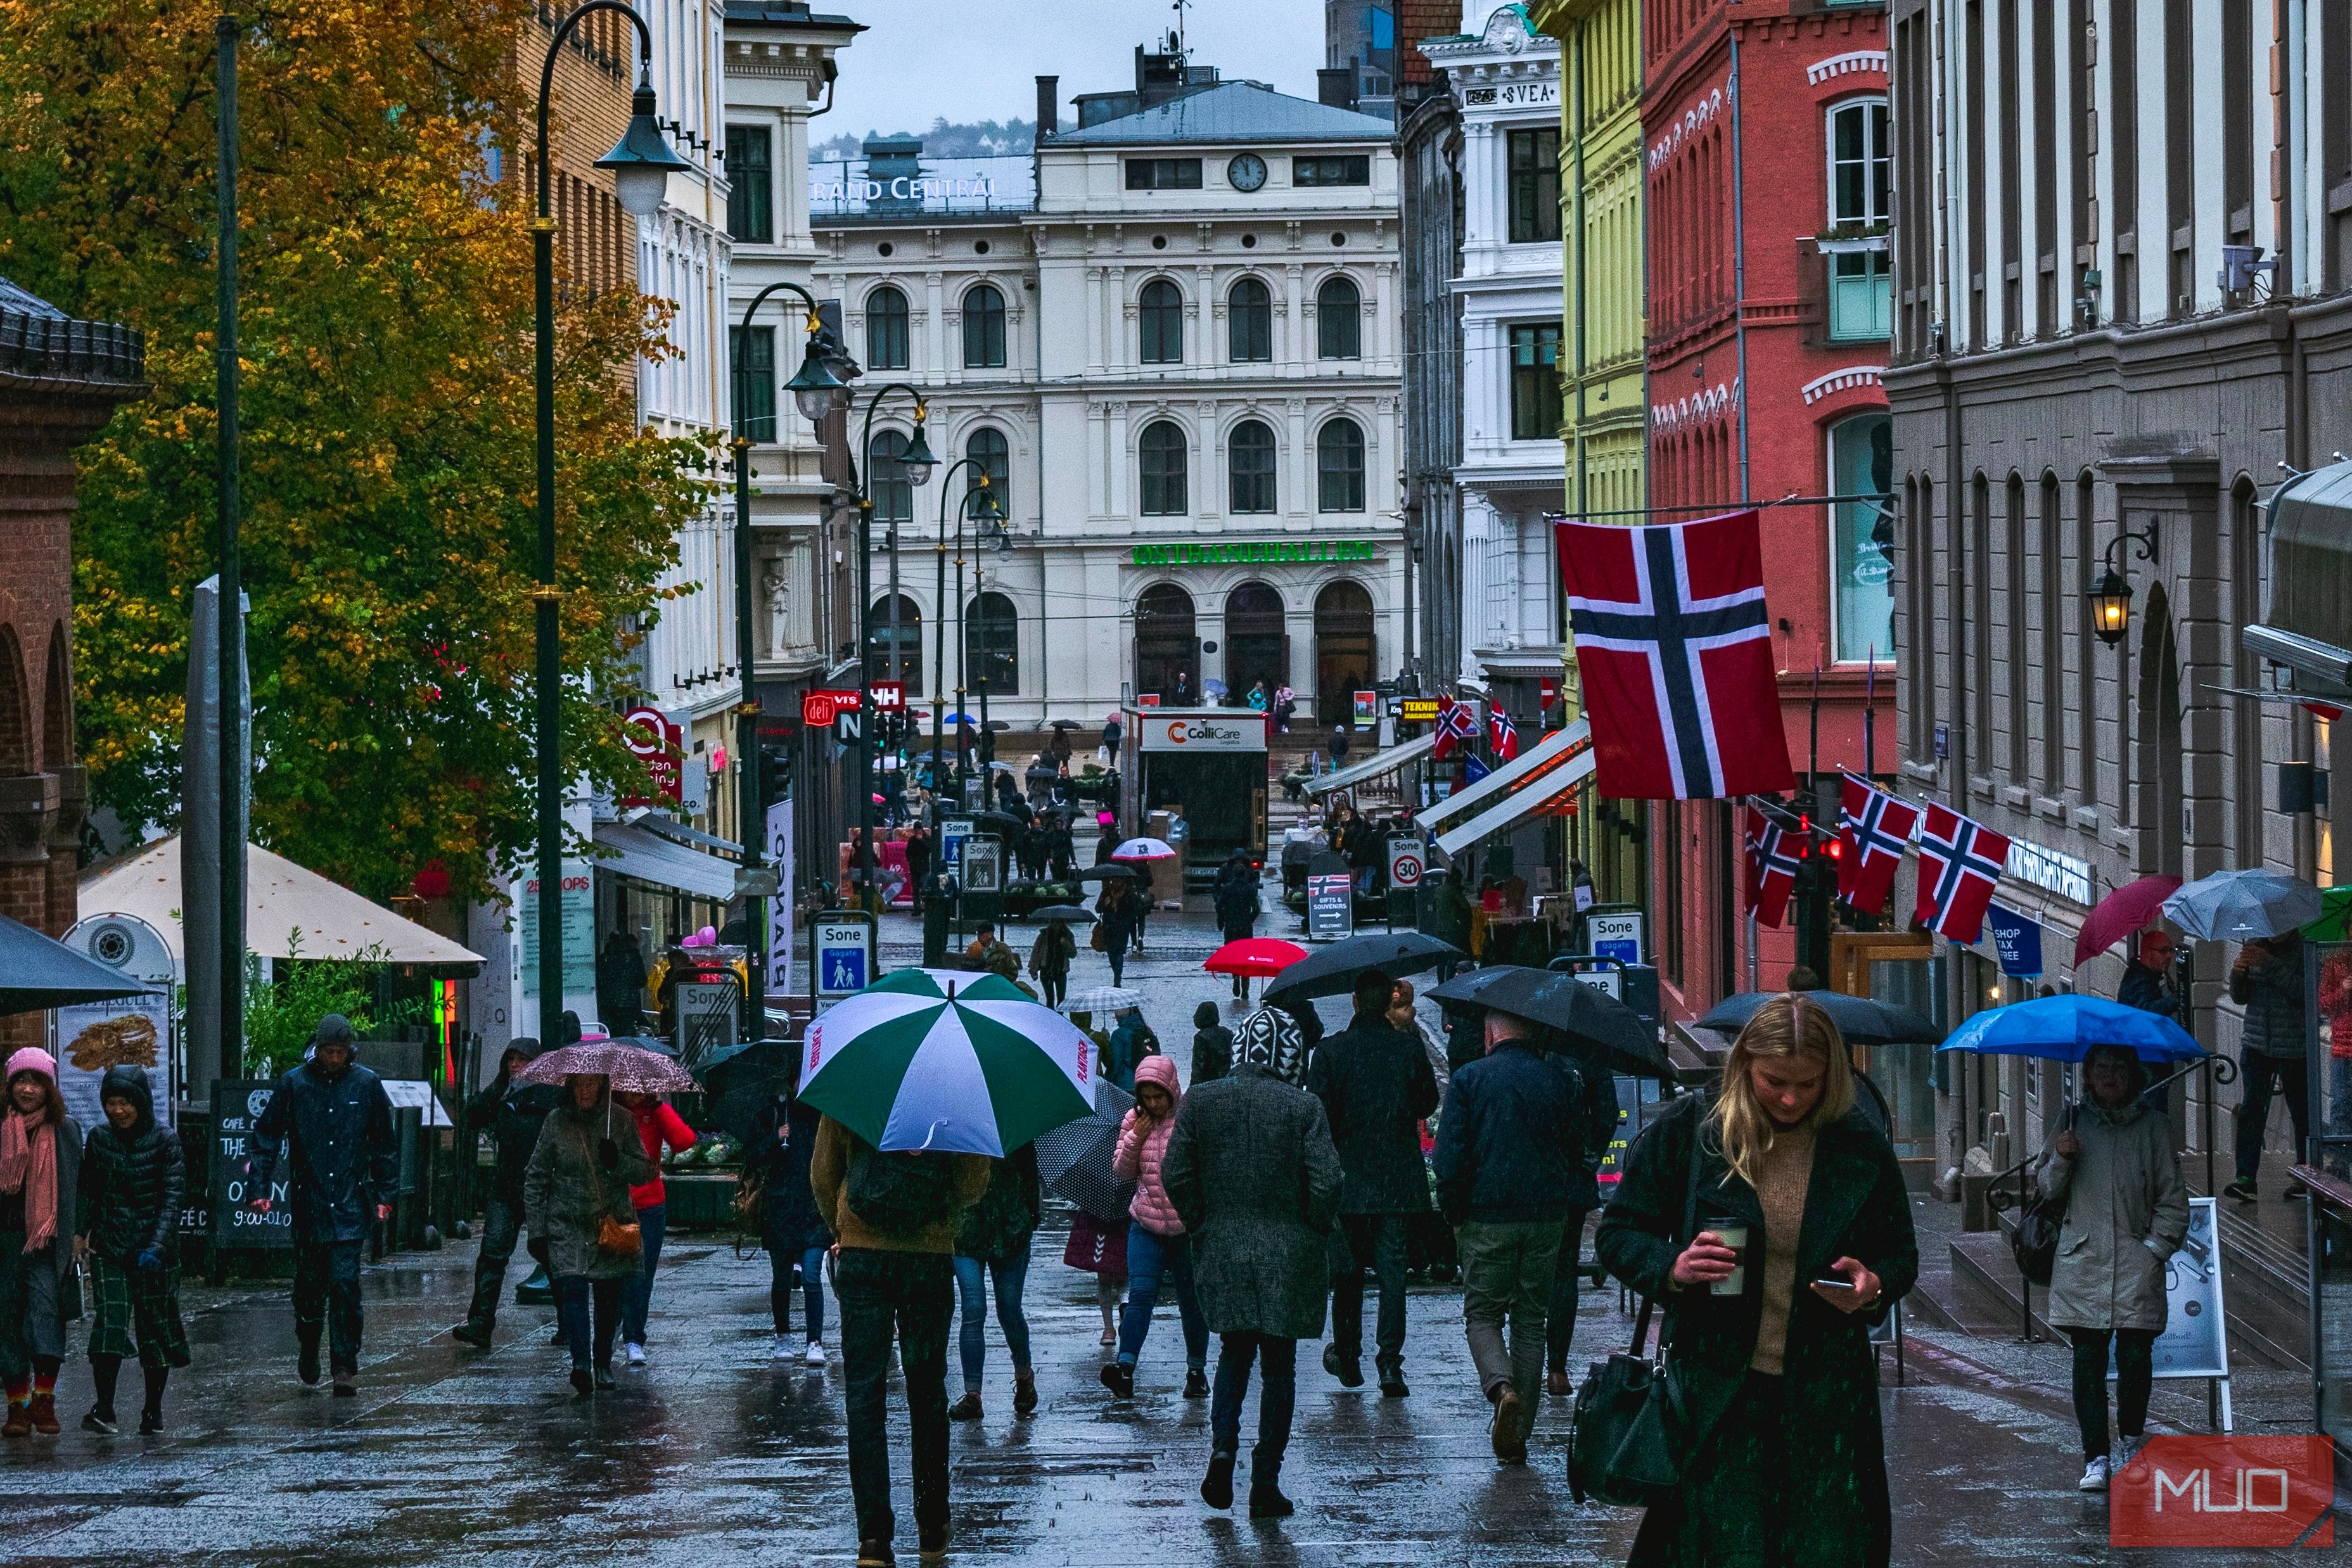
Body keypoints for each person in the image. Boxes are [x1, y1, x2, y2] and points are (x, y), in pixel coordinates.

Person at [1595, 993, 1919, 1567]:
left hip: (1825, 1398)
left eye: (1808, 1084)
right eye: (1775, 1082)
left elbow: (1899, 1255)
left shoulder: (1857, 1143)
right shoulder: (1695, 1133)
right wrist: (1673, 1265)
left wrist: (1873, 1285)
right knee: (1724, 1550)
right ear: (1745, 1065)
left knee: (1824, 1549)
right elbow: (1619, 1232)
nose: (1791, 1098)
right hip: (1716, 1394)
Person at [1163, 1007, 1343, 1519]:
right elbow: (1328, 1181)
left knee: (1233, 1354)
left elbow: (1176, 1172)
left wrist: (1202, 1222)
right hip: (1287, 1254)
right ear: (1291, 1057)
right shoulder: (1303, 1107)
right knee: (1279, 1368)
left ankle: (1223, 1448)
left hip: (1224, 1248)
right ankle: (1266, 1479)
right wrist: (1309, 1224)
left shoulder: (1201, 1101)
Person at [809, 1113, 992, 1564]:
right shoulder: (953, 1087)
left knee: (865, 1396)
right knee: (927, 1392)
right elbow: (972, 1182)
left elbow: (822, 1172)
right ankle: (931, 1523)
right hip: (927, 1257)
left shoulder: (856, 1074)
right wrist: (943, 1216)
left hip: (863, 1255)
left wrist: (843, 1227)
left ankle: (873, 1537)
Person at [2040, 1043, 2189, 1492]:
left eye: (2118, 1068)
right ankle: (2095, 1456)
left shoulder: (2155, 1128)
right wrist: (2063, 1157)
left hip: (2135, 1264)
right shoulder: (2070, 1122)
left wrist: (2154, 1249)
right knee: (2087, 1362)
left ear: (2133, 1074)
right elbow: (2046, 1190)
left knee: (2134, 1359)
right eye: (2100, 1067)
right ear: (2087, 1074)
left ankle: (2129, 1440)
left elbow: (2173, 1200)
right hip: (2083, 1263)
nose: (2109, 1075)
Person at [1429, 1010, 1574, 1460]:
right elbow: (1576, 1145)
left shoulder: (1471, 1077)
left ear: (1492, 1033)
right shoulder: (1560, 1079)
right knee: (1531, 1320)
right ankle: (1519, 1433)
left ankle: (1501, 1389)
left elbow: (1448, 1157)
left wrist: (1455, 1214)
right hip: (1546, 1215)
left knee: (1483, 1315)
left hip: (1486, 1214)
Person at [247, 1016, 397, 1396]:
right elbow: (266, 1137)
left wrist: (385, 1194)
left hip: (349, 1200)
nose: (335, 1058)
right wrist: (259, 1187)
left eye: (341, 1052)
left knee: (346, 1283)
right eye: (330, 1051)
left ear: (350, 1052)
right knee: (310, 1286)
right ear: (319, 1049)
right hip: (310, 1201)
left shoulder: (365, 1083)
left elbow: (384, 1142)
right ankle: (310, 1340)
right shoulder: (295, 1083)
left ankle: (344, 1364)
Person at [1307, 971, 1440, 1398]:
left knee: (1346, 1276)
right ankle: (1389, 1363)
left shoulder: (1330, 1051)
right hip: (1397, 1183)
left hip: (1347, 1184)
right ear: (1387, 1004)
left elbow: (1319, 1115)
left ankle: (1348, 1354)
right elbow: (1427, 1102)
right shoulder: (1407, 1047)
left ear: (1354, 1002)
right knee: (1392, 1275)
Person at [525, 1073, 656, 1395]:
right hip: (567, 1223)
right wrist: (537, 1229)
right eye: (579, 1085)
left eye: (591, 1085)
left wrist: (618, 1161)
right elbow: (536, 1177)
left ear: (602, 1087)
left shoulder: (621, 1120)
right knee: (572, 1288)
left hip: (608, 1222)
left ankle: (602, 1362)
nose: (585, 1091)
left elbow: (645, 1172)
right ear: (570, 1087)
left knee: (608, 1297)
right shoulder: (556, 1122)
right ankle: (580, 1363)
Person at [74, 1063, 187, 1435]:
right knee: (110, 1325)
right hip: (111, 1249)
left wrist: (156, 1246)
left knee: (154, 1330)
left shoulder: (165, 1140)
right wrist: (80, 1234)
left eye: (124, 1103)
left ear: (140, 1102)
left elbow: (173, 1199)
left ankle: (152, 1411)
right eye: (111, 1102)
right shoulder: (100, 1139)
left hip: (155, 1254)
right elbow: (88, 1191)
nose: (117, 1110)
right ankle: (104, 1408)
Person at [1103, 1055, 1210, 1399]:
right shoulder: (1134, 1119)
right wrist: (1135, 1137)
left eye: (1158, 1096)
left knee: (1191, 1300)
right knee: (1141, 1295)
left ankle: (1196, 1369)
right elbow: (1120, 1172)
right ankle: (1125, 1367)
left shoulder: (1189, 1120)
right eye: (1146, 1097)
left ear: (1171, 1091)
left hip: (1185, 1229)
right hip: (1146, 1223)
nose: (1152, 1103)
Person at [452, 1038, 560, 1348]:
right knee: (492, 1255)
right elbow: (472, 1117)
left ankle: (569, 1324)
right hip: (506, 1187)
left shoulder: (552, 1096)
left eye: (523, 1060)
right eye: (511, 1059)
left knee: (550, 1257)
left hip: (541, 1189)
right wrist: (499, 1089)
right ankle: (481, 1323)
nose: (516, 1065)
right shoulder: (504, 1094)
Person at [0, 1050, 79, 1437]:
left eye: (36, 1082)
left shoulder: (66, 1130)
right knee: (7, 1319)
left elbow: (80, 1190)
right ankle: (18, 1405)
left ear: (49, 1088)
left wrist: (79, 1234)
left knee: (47, 1315)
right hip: (5, 1240)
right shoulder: (1, 1126)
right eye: (20, 1081)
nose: (27, 1089)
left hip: (46, 1242)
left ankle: (44, 1399)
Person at [1544, 1035, 1623, 1396]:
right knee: (1563, 1271)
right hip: (1571, 1179)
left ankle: (1522, 1364)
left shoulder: (1530, 1048)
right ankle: (1556, 1368)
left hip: (1527, 1180)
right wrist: (1588, 1156)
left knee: (1525, 1271)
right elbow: (1607, 1112)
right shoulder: (1587, 1053)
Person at [745, 1064, 834, 1365]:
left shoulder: (825, 1116)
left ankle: (815, 1341)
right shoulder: (774, 1114)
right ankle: (782, 1335)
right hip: (781, 1210)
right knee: (782, 1278)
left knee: (811, 1275)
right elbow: (753, 1156)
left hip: (813, 1210)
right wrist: (775, 1139)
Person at [951, 1144, 1042, 1421]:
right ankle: (973, 1395)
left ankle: (1024, 1374)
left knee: (1010, 1309)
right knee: (973, 1310)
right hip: (966, 1230)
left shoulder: (1013, 1126)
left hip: (1010, 1230)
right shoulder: (953, 1129)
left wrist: (1027, 1217)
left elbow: (1029, 1175)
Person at [2227, 930, 2311, 1202]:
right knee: (2252, 1108)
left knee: (2301, 1112)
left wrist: (2270, 965)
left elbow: (2305, 993)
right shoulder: (2253, 945)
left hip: (2293, 1044)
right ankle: (2246, 1177)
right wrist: (2238, 974)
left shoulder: (2303, 950)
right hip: (2257, 1042)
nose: (2275, 934)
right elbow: (2240, 998)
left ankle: (2306, 1173)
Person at [615, 1088, 697, 1366]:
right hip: (614, 1205)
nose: (634, 1090)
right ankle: (611, 1327)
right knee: (612, 1275)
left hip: (649, 1204)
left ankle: (634, 1338)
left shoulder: (654, 1113)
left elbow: (685, 1141)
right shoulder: (609, 1114)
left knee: (642, 1275)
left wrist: (660, 1108)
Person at [1213, 851, 1260, 998]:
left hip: (1231, 926)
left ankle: (1235, 978)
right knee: (1246, 956)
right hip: (1245, 927)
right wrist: (1250, 919)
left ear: (1233, 874)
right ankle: (1246, 986)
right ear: (1245, 874)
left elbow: (1218, 905)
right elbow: (1257, 909)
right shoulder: (1250, 890)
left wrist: (1223, 917)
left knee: (1233, 954)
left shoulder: (1227, 889)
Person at [596, 929, 648, 1036]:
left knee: (610, 1033)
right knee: (625, 1034)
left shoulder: (603, 959)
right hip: (628, 1004)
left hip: (607, 1004)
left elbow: (599, 981)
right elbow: (642, 980)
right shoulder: (634, 957)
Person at [1097, 879, 1141, 988]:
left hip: (1122, 929)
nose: (1116, 883)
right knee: (1111, 955)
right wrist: (1105, 904)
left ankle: (1117, 978)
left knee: (1119, 953)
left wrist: (1134, 938)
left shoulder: (1128, 894)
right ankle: (1116, 973)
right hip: (1108, 928)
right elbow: (1098, 909)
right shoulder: (1106, 892)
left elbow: (1133, 913)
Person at [1101, 1005, 1153, 1095]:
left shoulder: (1119, 1034)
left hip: (1125, 1086)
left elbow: (1115, 1065)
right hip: (1144, 1081)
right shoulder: (1146, 1030)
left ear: (1118, 1016)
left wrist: (1105, 1080)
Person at [1029, 917, 1078, 1009]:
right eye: (1054, 922)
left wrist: (1065, 943)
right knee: (1050, 999)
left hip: (1061, 970)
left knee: (1061, 999)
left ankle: (1059, 1018)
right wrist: (1033, 968)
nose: (1056, 925)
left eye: (1058, 922)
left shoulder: (1068, 935)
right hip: (1046, 970)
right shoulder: (1044, 935)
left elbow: (1073, 954)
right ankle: (1051, 1019)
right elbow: (1036, 952)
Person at [1191, 1002, 1234, 1090]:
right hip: (1227, 1082)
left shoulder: (1201, 1038)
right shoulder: (1227, 1032)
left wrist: (1192, 1090)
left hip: (1209, 1085)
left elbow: (1198, 1067)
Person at [904, 824, 933, 913]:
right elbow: (908, 852)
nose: (918, 832)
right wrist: (911, 861)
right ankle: (917, 908)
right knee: (915, 889)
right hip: (915, 868)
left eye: (919, 830)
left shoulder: (927, 838)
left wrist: (921, 841)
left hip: (924, 868)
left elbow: (929, 849)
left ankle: (925, 905)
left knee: (924, 888)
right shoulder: (912, 840)